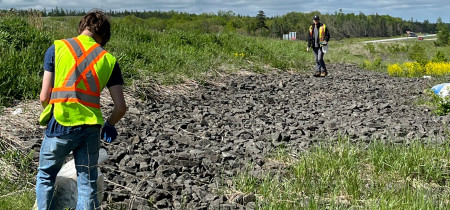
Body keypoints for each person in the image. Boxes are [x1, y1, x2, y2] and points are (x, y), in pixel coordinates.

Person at [36, 10, 127, 210]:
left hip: (60, 124)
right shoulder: (109, 60)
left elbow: (44, 97)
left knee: (46, 176)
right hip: (90, 129)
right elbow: (120, 107)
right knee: (87, 181)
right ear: (104, 36)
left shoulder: (57, 48)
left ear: (82, 27)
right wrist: (110, 125)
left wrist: (52, 111)